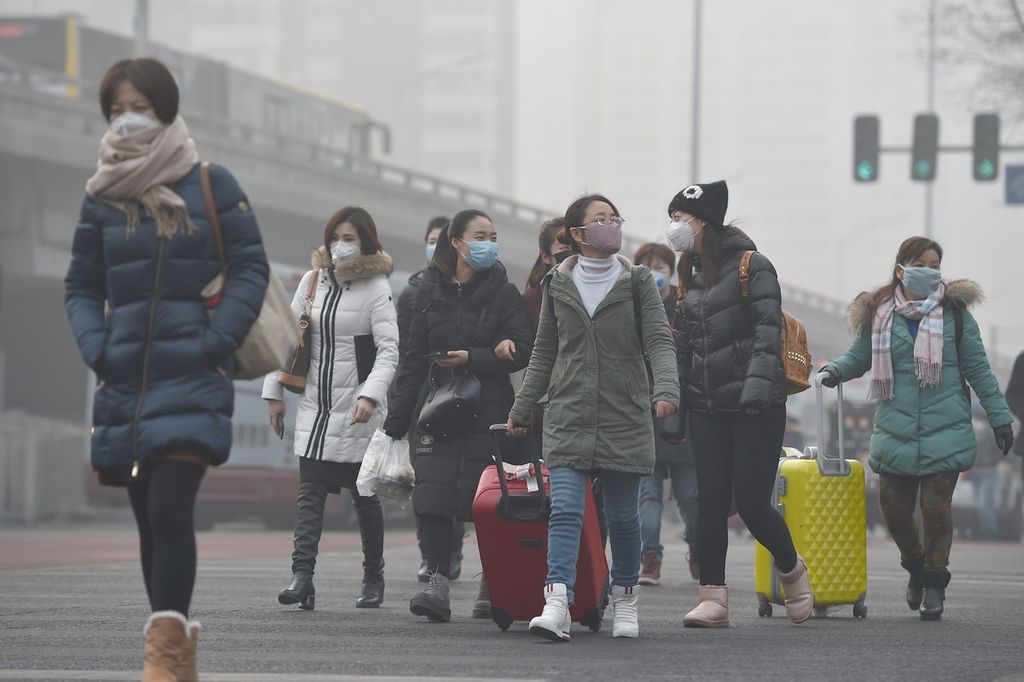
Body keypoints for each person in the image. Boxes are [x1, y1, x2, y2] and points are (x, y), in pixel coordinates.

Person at [64, 58, 269, 679]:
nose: (129, 116)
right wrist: (97, 346)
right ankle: (176, 657)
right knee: (147, 521)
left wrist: (215, 339)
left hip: (192, 375)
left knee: (169, 512)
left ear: (165, 109)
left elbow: (251, 266)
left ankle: (159, 659)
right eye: (118, 107)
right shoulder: (101, 197)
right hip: (125, 378)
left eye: (141, 106)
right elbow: (81, 284)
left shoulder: (210, 181)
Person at [507, 194, 680, 641]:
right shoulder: (556, 284)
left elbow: (660, 341)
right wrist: (521, 408)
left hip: (625, 412)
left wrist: (666, 389)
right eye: (598, 219)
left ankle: (625, 600)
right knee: (564, 509)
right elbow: (545, 352)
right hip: (568, 412)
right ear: (578, 234)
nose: (610, 225)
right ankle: (557, 601)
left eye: (613, 218)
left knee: (623, 516)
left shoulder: (638, 281)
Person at [819, 236, 1014, 620]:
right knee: (894, 511)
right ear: (901, 269)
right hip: (895, 430)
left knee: (936, 509)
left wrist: (1000, 417)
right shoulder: (879, 314)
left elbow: (979, 371)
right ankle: (916, 566)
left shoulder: (956, 315)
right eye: (923, 263)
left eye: (936, 265)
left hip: (947, 427)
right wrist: (836, 369)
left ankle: (934, 586)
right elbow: (860, 357)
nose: (931, 271)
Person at [665, 180, 812, 628]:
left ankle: (792, 570)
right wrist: (678, 404)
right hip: (707, 405)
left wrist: (753, 392)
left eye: (681, 220)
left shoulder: (754, 266)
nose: (674, 229)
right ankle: (713, 599)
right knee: (708, 501)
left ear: (705, 222)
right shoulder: (687, 274)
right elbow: (683, 346)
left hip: (756, 406)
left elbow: (767, 335)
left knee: (750, 503)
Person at [383, 209, 533, 623]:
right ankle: (436, 582)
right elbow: (413, 358)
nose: (489, 241)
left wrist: (482, 356)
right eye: (480, 234)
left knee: (485, 500)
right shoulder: (427, 292)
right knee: (432, 497)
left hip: (489, 408)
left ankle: (491, 582)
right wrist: (395, 421)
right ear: (457, 241)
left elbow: (525, 346)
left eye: (493, 235)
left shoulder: (505, 292)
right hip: (436, 409)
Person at [263, 207, 399, 612]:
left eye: (351, 237)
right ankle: (302, 577)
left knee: (364, 497)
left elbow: (389, 352)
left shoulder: (377, 288)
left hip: (357, 410)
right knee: (309, 493)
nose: (342, 244)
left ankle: (374, 576)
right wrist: (274, 391)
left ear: (366, 242)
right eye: (336, 236)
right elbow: (287, 339)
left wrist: (369, 396)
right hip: (316, 409)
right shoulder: (310, 281)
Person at [395, 216, 467, 585]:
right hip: (423, 401)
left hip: (461, 400)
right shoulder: (412, 293)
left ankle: (452, 551)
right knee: (425, 482)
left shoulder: (471, 289)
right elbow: (406, 354)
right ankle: (430, 555)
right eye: (431, 239)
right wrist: (399, 408)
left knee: (454, 483)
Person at [632, 242, 700, 585]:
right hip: (643, 417)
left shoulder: (685, 306)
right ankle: (650, 558)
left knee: (690, 495)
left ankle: (698, 547)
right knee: (648, 494)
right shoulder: (631, 305)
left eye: (661, 265)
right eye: (647, 266)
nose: (655, 272)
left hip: (682, 414)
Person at [522, 218, 572, 332]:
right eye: (565, 248)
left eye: (577, 248)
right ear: (546, 257)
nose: (573, 255)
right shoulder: (532, 300)